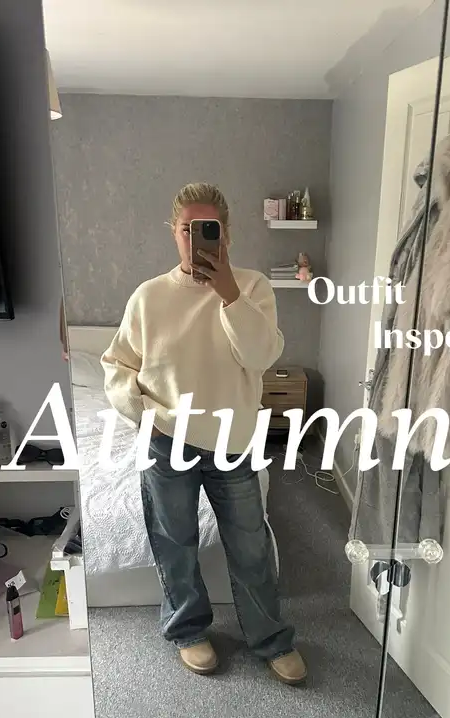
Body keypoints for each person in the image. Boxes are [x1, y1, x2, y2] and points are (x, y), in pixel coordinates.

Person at [101, 182, 306, 685]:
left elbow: (261, 356)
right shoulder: (149, 297)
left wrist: (228, 294)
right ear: (173, 233)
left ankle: (270, 638)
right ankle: (188, 630)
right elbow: (117, 364)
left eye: (207, 229)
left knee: (251, 547)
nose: (196, 240)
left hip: (232, 442)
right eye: (187, 229)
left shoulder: (252, 288)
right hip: (165, 440)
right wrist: (141, 411)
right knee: (175, 542)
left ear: (226, 235)